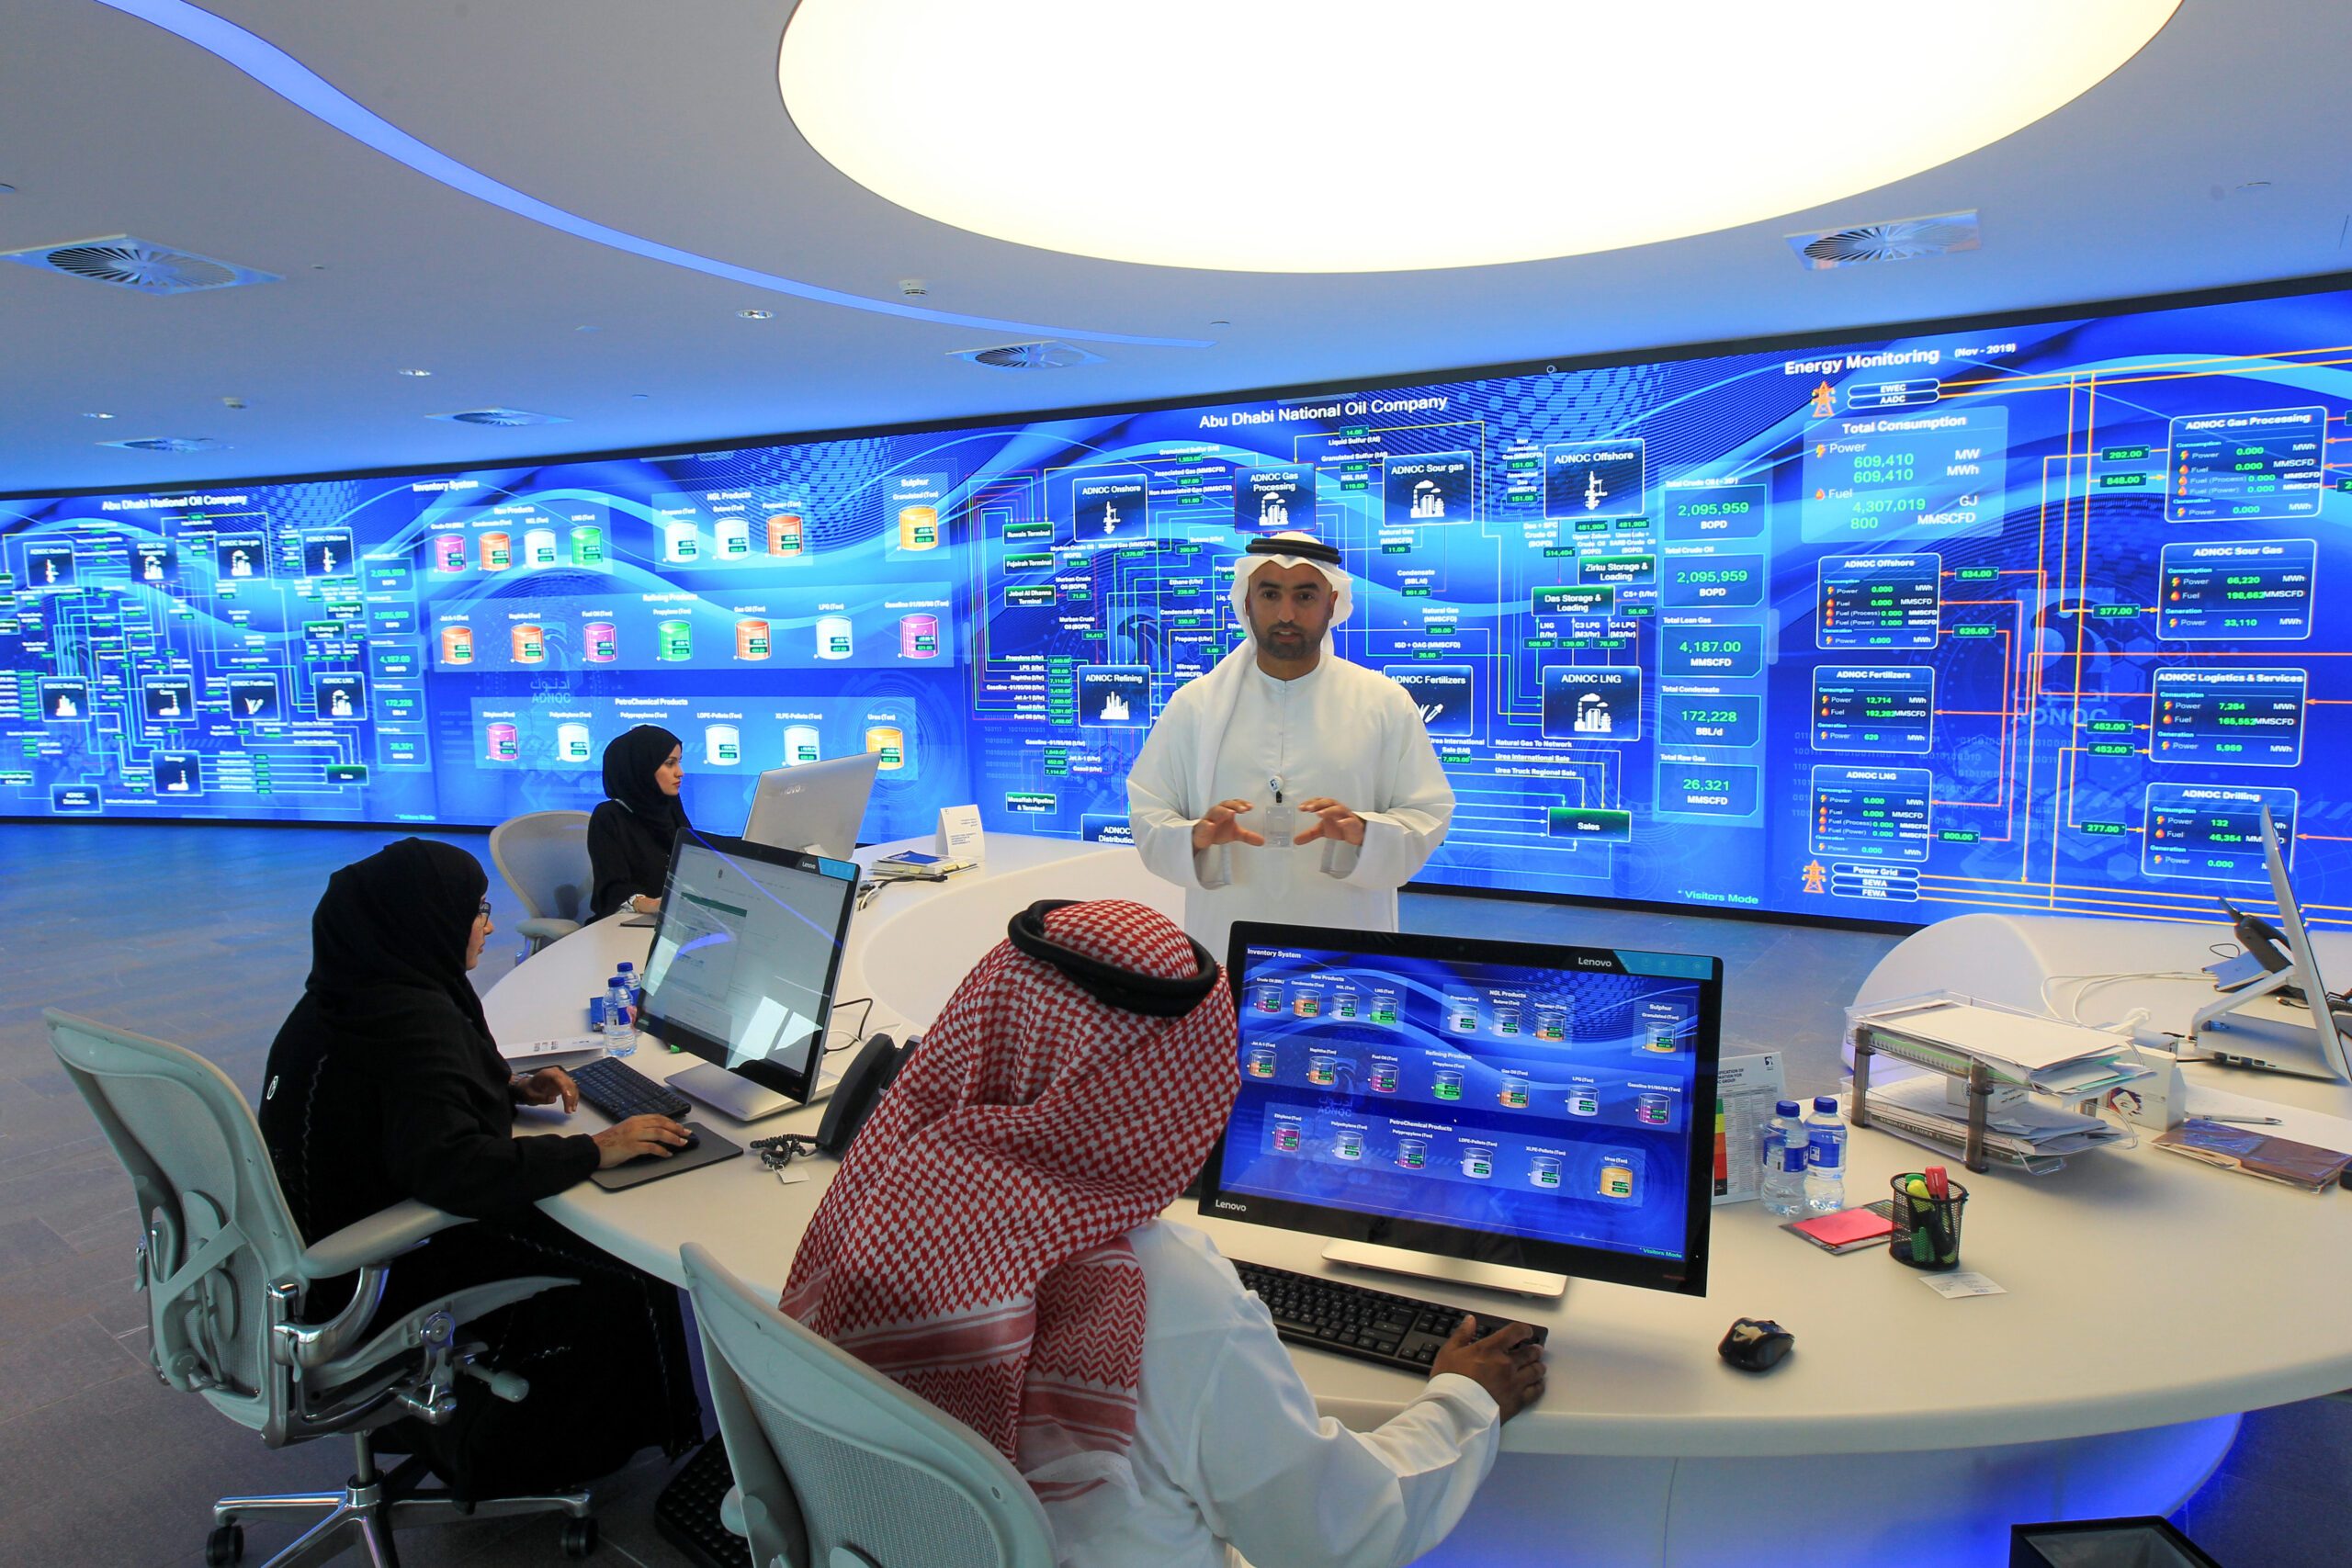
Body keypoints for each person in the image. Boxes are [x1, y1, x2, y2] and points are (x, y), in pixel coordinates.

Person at [781, 898, 1543, 1568]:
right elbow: (1336, 1535)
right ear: (1182, 1083)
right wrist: (1463, 1404)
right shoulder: (1172, 1300)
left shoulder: (878, 1195)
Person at [258, 838, 703, 1497]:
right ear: (426, 921)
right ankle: (551, 1448)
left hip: (319, 1256)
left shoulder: (347, 992)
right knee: (619, 1249)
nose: (490, 926)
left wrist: (504, 1088)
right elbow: (457, 1170)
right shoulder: (412, 1022)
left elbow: (408, 1108)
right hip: (383, 1266)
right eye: (477, 910)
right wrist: (595, 1148)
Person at [1126, 533, 1454, 958]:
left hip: (1344, 938)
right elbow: (1148, 814)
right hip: (1228, 936)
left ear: (1331, 604)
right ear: (1247, 602)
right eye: (1269, 594)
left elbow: (1428, 813)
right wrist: (1194, 837)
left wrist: (1366, 833)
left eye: (1304, 596)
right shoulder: (1195, 706)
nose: (1285, 613)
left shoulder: (1383, 703)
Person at [588, 724, 687, 919]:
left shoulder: (670, 806)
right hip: (622, 924)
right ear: (641, 767)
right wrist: (649, 904)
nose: (680, 772)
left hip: (673, 919)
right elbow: (611, 890)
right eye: (670, 763)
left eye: (679, 762)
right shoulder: (608, 817)